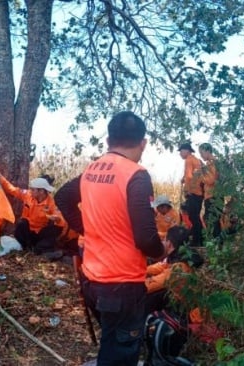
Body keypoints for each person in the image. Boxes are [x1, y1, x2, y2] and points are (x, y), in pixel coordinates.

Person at [55, 111, 170, 365]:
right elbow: (144, 237)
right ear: (143, 143)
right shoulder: (136, 175)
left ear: (108, 140)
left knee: (111, 342)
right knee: (120, 353)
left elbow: (62, 197)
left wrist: (89, 229)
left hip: (93, 279)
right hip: (123, 283)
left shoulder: (91, 170)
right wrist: (162, 250)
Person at [0, 173, 66, 258]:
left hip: (39, 232)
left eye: (33, 190)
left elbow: (60, 218)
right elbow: (12, 189)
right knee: (22, 223)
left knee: (56, 229)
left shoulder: (51, 202)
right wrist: (0, 176)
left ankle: (39, 249)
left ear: (41, 191)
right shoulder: (28, 195)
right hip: (26, 231)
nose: (31, 191)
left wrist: (57, 219)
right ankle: (28, 247)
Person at [144, 225, 204, 313]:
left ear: (169, 243)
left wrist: (132, 283)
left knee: (148, 295)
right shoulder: (183, 256)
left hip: (182, 309)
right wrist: (138, 270)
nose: (162, 242)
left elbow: (151, 285)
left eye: (164, 240)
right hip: (182, 302)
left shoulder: (179, 267)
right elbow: (159, 267)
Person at [178, 142, 204, 246]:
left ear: (187, 151)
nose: (180, 153)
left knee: (193, 217)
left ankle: (197, 240)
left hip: (193, 192)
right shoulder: (197, 160)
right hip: (200, 192)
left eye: (181, 151)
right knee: (195, 216)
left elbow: (189, 176)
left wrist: (187, 190)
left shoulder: (188, 160)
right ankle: (199, 239)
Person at [199, 143, 221, 240]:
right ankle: (217, 243)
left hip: (213, 196)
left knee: (211, 220)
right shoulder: (214, 162)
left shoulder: (211, 163)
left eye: (202, 152)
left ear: (207, 151)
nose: (201, 155)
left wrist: (201, 174)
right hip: (215, 195)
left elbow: (211, 180)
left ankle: (216, 243)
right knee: (212, 219)